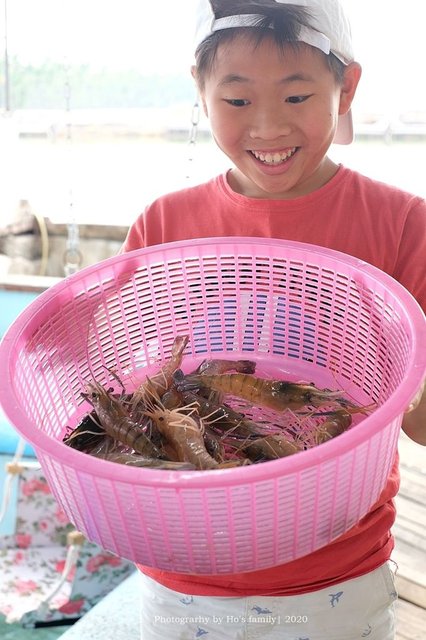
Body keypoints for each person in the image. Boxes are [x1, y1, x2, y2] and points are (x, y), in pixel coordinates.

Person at [121, 1, 426, 638]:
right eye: (236, 101)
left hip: (335, 571)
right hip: (183, 571)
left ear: (346, 88)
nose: (265, 127)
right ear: (200, 93)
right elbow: (129, 381)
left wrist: (408, 385)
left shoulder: (402, 225)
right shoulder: (163, 227)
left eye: (296, 97)